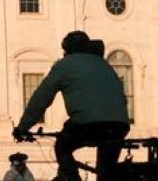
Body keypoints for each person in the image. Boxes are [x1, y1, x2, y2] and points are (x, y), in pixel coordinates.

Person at [13, 31, 130, 180]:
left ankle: (71, 177)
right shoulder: (103, 64)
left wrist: (23, 127)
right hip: (119, 124)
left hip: (88, 123)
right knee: (106, 172)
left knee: (62, 146)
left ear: (67, 49)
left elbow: (41, 99)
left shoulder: (65, 65)